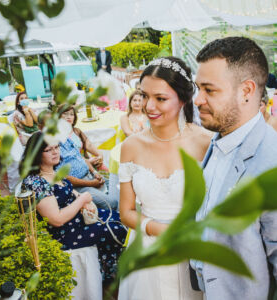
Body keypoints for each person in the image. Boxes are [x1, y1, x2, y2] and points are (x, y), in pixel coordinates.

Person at [118, 57, 212, 300]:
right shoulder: (130, 146)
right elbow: (126, 211)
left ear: (183, 99)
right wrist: (160, 230)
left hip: (193, 252)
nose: (149, 106)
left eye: (160, 98)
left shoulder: (206, 142)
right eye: (144, 95)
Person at [192, 36, 277, 300]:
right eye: (197, 88)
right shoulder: (218, 141)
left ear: (247, 91)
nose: (197, 100)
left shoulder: (270, 163)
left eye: (210, 90)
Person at [20, 131, 126, 284]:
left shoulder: (52, 171)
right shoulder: (36, 182)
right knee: (116, 229)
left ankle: (107, 267)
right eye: (49, 150)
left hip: (76, 220)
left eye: (56, 147)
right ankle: (108, 273)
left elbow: (70, 191)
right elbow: (56, 219)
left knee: (117, 217)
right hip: (65, 233)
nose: (55, 152)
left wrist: (83, 202)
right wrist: (82, 199)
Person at [57, 105, 118, 210]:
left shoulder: (75, 132)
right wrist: (91, 182)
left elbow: (86, 148)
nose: (68, 117)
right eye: (65, 114)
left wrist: (97, 161)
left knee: (117, 185)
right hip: (79, 183)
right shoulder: (55, 143)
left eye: (71, 114)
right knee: (112, 202)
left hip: (88, 170)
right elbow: (62, 176)